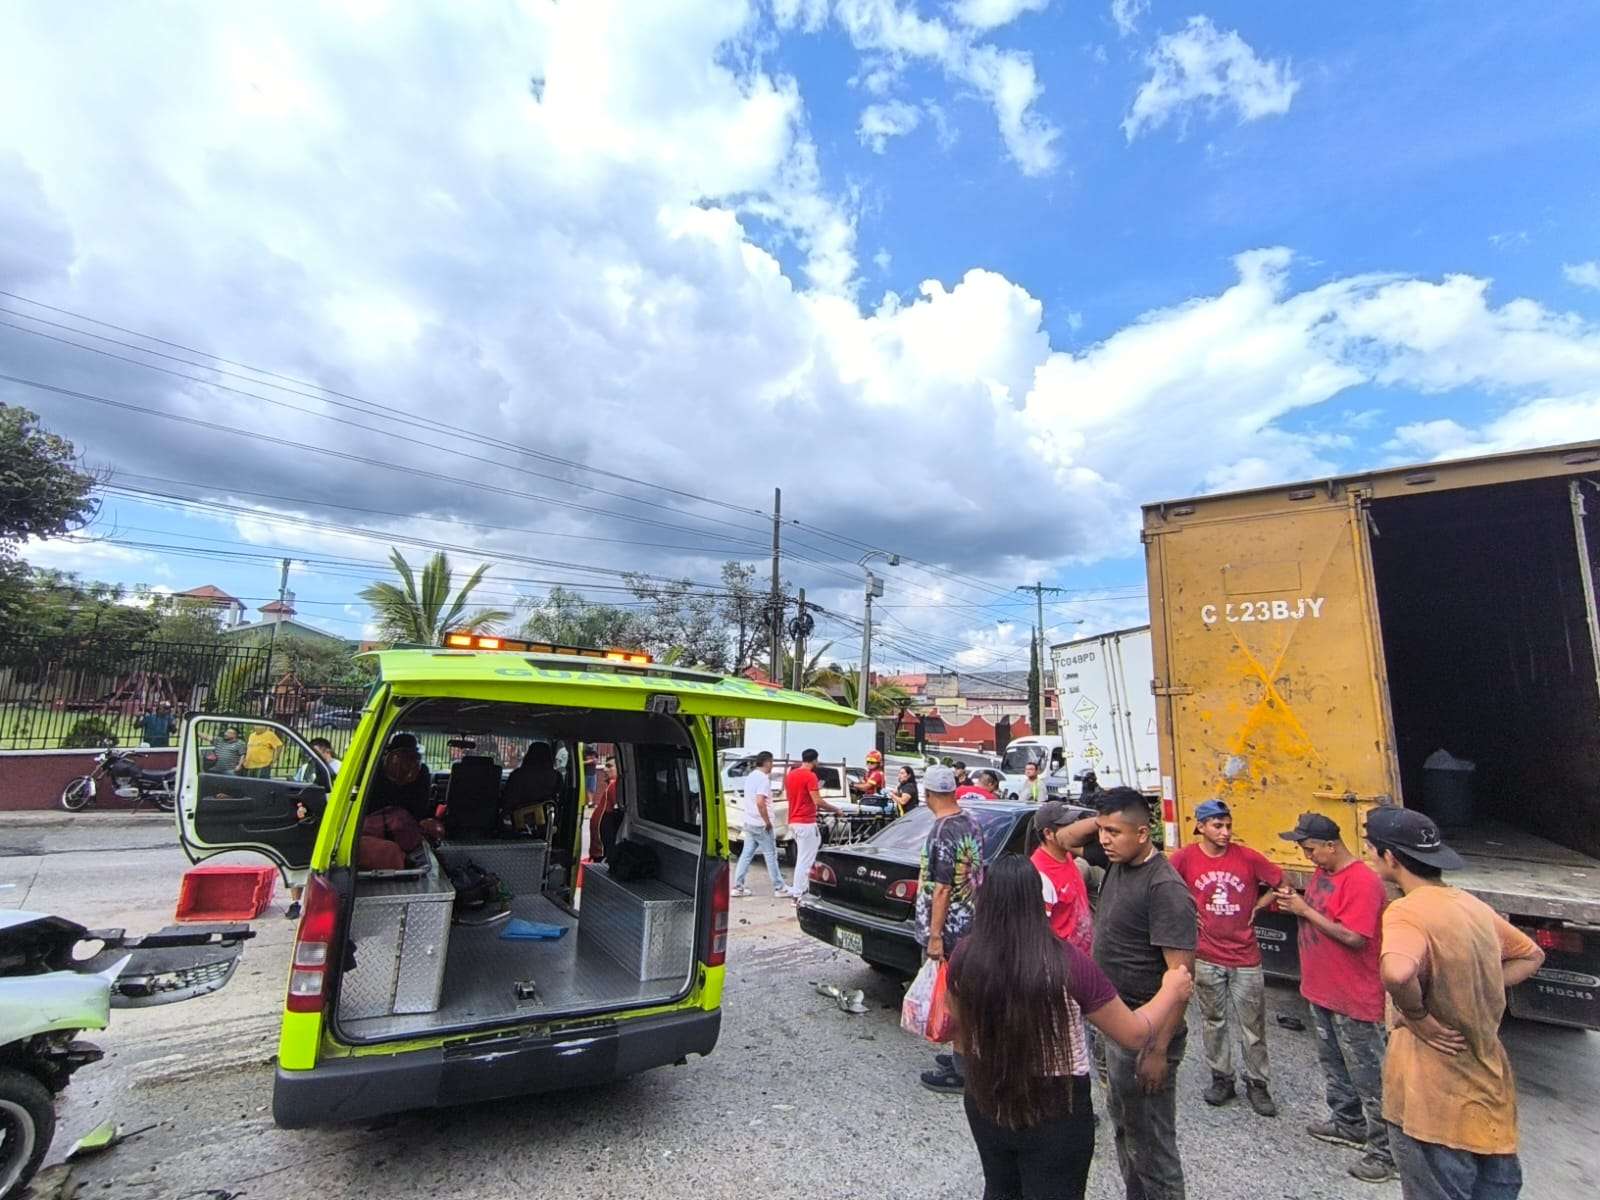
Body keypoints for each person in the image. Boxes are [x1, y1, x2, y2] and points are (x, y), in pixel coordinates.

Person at [948, 855, 1196, 1200]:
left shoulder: (964, 955)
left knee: (1001, 1188)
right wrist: (1171, 990)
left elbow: (958, 1031)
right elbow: (1134, 1033)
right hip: (1056, 1106)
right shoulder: (1067, 963)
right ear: (1038, 900)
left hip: (986, 1097)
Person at [1365, 808, 1543, 1200]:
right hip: (1490, 1104)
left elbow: (1396, 972)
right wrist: (1479, 984)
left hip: (1432, 1110)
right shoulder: (1472, 906)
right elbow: (1531, 955)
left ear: (1390, 857)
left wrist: (1417, 1016)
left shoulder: (1406, 911)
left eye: (1372, 851)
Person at [1061, 787, 1197, 1200]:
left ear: (1144, 834)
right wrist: (1103, 815)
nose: (1103, 840)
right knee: (1125, 1130)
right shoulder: (1118, 858)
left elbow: (1181, 979)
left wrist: (1157, 1050)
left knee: (1153, 1145)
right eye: (1102, 831)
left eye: (1115, 832)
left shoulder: (1165, 888)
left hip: (1146, 1031)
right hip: (1116, 1025)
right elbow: (1065, 839)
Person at [1275, 812, 1394, 1184]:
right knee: (1335, 1065)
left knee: (1370, 1074)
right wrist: (1294, 905)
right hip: (1322, 989)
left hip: (1354, 995)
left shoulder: (1361, 881)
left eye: (1310, 849)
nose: (1307, 856)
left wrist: (1304, 910)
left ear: (1331, 845)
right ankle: (1347, 1122)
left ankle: (1386, 1153)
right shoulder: (1322, 874)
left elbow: (1355, 937)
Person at [1168, 799, 1284, 1116]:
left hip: (1245, 956)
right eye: (1218, 826)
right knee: (1213, 1021)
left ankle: (1258, 1085)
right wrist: (1186, 910)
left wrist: (1259, 906)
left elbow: (1280, 881)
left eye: (1228, 825)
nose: (1225, 832)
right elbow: (1164, 884)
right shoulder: (1186, 858)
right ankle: (1222, 1078)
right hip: (1206, 955)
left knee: (1253, 1025)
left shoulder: (1246, 857)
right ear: (1201, 827)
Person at [915, 764, 986, 1094]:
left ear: (928, 794)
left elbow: (942, 887)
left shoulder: (942, 830)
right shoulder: (970, 820)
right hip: (971, 922)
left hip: (952, 930)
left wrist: (934, 935)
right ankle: (961, 1054)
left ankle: (963, 1069)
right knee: (961, 994)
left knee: (956, 998)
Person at [1030, 800, 1094, 955]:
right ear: (1048, 833)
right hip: (1065, 964)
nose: (1074, 830)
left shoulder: (1067, 856)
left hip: (1084, 958)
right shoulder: (1040, 874)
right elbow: (1038, 934)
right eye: (1067, 826)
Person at [784, 748, 840, 900]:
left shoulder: (791, 775)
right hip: (806, 822)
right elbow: (817, 801)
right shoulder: (810, 776)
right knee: (806, 859)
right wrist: (836, 809)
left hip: (794, 820)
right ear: (815, 760)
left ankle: (800, 888)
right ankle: (799, 893)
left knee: (804, 857)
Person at [733, 751, 785, 897]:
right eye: (772, 762)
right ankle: (779, 887)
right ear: (767, 762)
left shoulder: (750, 776)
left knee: (746, 854)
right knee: (771, 855)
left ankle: (738, 886)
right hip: (761, 824)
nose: (773, 765)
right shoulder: (763, 779)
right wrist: (767, 821)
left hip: (749, 821)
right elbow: (760, 802)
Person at [369, 733, 434, 822]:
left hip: (383, 822)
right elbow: (422, 806)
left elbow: (421, 806)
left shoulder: (375, 769)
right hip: (387, 822)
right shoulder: (376, 770)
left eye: (409, 756)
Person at [502, 741, 562, 834]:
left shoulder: (518, 775)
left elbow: (507, 800)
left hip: (518, 822)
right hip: (546, 823)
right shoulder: (557, 776)